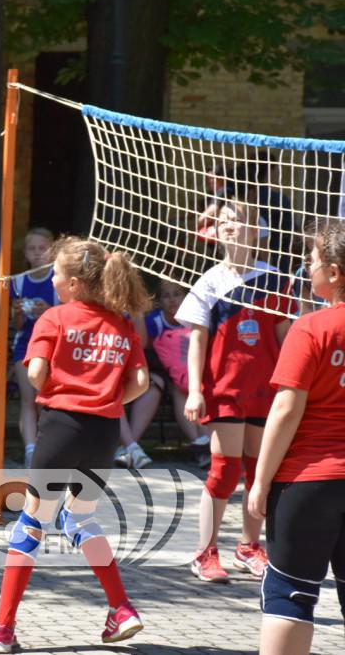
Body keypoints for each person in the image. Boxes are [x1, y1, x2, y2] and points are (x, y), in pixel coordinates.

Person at [0, 237, 151, 653]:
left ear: (74, 283)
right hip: (104, 433)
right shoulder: (122, 323)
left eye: (56, 272)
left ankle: (3, 629)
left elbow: (38, 373)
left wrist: (60, 388)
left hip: (61, 426)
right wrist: (107, 398)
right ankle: (122, 608)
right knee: (80, 520)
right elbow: (141, 384)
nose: (52, 277)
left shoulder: (56, 318)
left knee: (32, 521)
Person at [177, 198, 292, 583]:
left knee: (259, 470)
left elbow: (284, 337)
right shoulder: (210, 280)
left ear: (257, 230)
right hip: (224, 388)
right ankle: (205, 552)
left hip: (265, 390)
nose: (228, 225)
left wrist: (290, 388)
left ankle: (248, 546)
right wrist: (195, 390)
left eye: (237, 220)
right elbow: (196, 340)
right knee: (224, 470)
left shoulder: (275, 279)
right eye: (223, 220)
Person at [247, 221, 345, 655]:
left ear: (335, 271)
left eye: (312, 259)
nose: (307, 268)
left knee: (291, 592)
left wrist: (260, 482)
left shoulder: (312, 328)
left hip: (307, 480)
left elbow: (286, 410)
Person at [114, 281, 210, 469]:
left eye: (177, 294)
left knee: (187, 387)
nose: (172, 300)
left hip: (190, 376)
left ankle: (202, 443)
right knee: (165, 385)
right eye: (166, 295)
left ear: (185, 297)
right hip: (161, 373)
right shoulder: (155, 321)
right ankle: (131, 447)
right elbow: (142, 346)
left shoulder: (195, 319)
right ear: (160, 300)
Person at [8, 227, 58, 468]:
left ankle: (48, 450)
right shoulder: (18, 281)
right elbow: (17, 325)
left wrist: (48, 311)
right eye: (32, 248)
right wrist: (17, 312)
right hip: (26, 344)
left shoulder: (59, 279)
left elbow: (67, 317)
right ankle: (30, 451)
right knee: (28, 400)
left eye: (42, 248)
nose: (37, 253)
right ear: (25, 253)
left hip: (55, 347)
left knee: (47, 401)